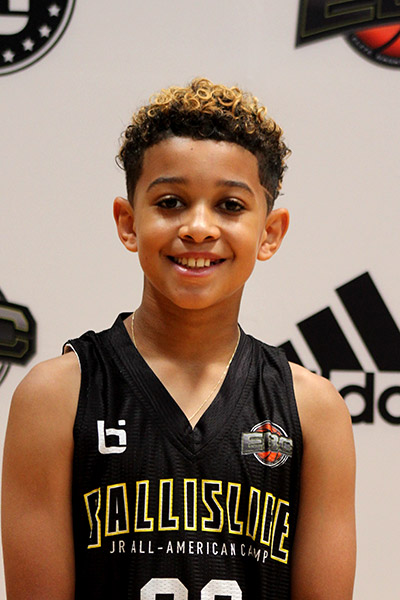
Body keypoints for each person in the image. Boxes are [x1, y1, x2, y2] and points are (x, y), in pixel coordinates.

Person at [2, 78, 356, 599]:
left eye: (230, 206)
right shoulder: (56, 397)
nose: (198, 228)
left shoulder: (314, 411)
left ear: (270, 232)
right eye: (170, 202)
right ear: (128, 223)